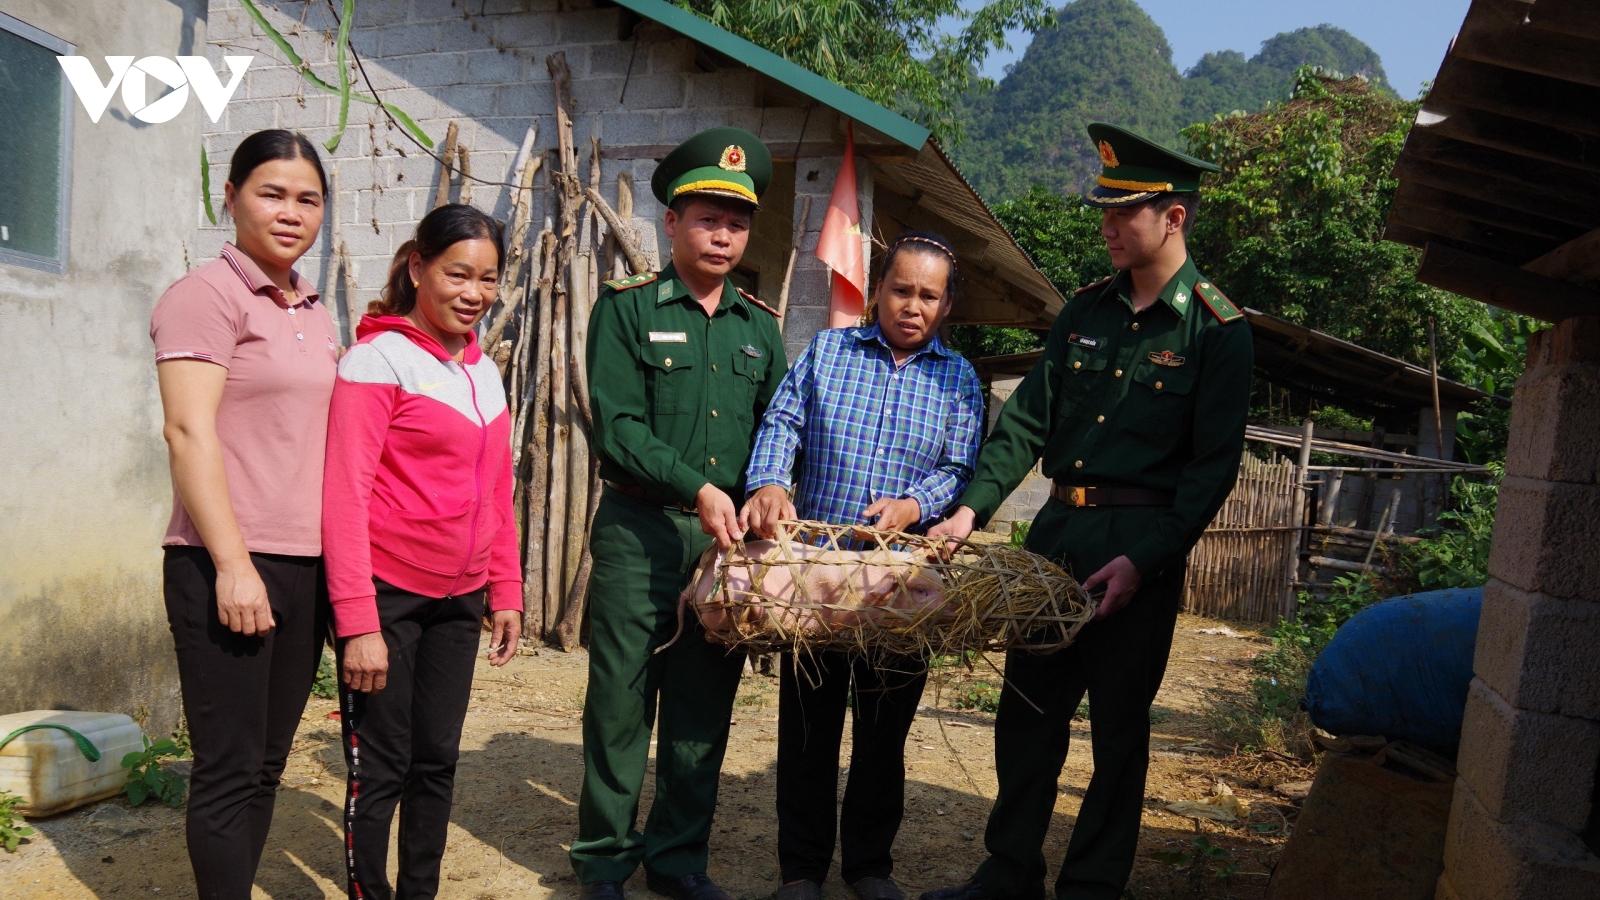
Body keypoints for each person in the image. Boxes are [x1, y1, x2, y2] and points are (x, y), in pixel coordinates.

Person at [920, 124, 1254, 900]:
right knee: (1026, 714)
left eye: (1123, 212)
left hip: (1139, 549)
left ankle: (1094, 885)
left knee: (1118, 731)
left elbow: (1212, 471)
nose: (1105, 226)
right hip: (1057, 540)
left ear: (1173, 216)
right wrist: (970, 510)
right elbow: (1029, 422)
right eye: (1102, 209)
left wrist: (1146, 561)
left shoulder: (1218, 330)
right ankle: (1008, 872)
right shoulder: (1084, 313)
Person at [571, 126, 787, 900]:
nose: (722, 234)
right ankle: (603, 860)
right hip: (640, 531)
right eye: (705, 217)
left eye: (735, 222)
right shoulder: (626, 311)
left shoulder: (760, 329)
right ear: (671, 224)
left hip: (724, 549)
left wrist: (773, 486)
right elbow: (620, 426)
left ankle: (678, 860)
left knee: (703, 707)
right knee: (621, 702)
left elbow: (778, 428)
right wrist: (696, 486)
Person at [742, 231, 986, 900]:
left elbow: (959, 466)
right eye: (901, 289)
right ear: (876, 290)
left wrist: (916, 503)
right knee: (808, 729)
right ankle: (801, 869)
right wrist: (768, 481)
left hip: (899, 583)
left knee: (884, 734)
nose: (912, 306)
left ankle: (869, 867)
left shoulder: (958, 377)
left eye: (928, 296)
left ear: (947, 305)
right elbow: (783, 422)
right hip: (816, 576)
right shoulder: (828, 351)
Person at [150, 129, 336, 900]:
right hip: (226, 562)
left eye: (309, 198)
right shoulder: (206, 295)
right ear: (229, 198)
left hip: (306, 565)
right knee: (227, 769)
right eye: (271, 192)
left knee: (266, 762)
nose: (290, 212)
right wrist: (232, 566)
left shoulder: (316, 309)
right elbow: (187, 431)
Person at [321, 204, 524, 900]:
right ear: (418, 268)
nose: (473, 292)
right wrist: (357, 623)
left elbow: (499, 493)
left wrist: (506, 592)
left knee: (436, 759)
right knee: (381, 764)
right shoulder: (375, 361)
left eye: (488, 278)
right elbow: (344, 497)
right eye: (457, 273)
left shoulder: (484, 371)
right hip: (386, 594)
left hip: (460, 596)